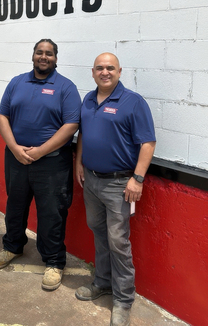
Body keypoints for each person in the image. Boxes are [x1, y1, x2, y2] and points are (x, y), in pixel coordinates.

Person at [0, 39, 81, 291]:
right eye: (39, 52)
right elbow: (2, 116)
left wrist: (41, 151)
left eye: (49, 54)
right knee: (15, 206)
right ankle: (12, 246)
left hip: (52, 163)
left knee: (52, 212)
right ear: (33, 56)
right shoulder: (17, 82)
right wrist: (14, 148)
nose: (44, 57)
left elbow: (71, 125)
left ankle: (53, 261)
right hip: (17, 159)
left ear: (55, 58)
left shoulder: (66, 87)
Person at [75, 53, 156, 326]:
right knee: (98, 232)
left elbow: (148, 143)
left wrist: (138, 179)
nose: (105, 72)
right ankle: (103, 282)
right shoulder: (87, 99)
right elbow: (83, 134)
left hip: (120, 184)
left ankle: (123, 299)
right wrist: (79, 163)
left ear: (120, 71)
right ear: (93, 71)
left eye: (110, 68)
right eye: (100, 68)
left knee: (118, 241)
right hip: (92, 181)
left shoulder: (133, 102)